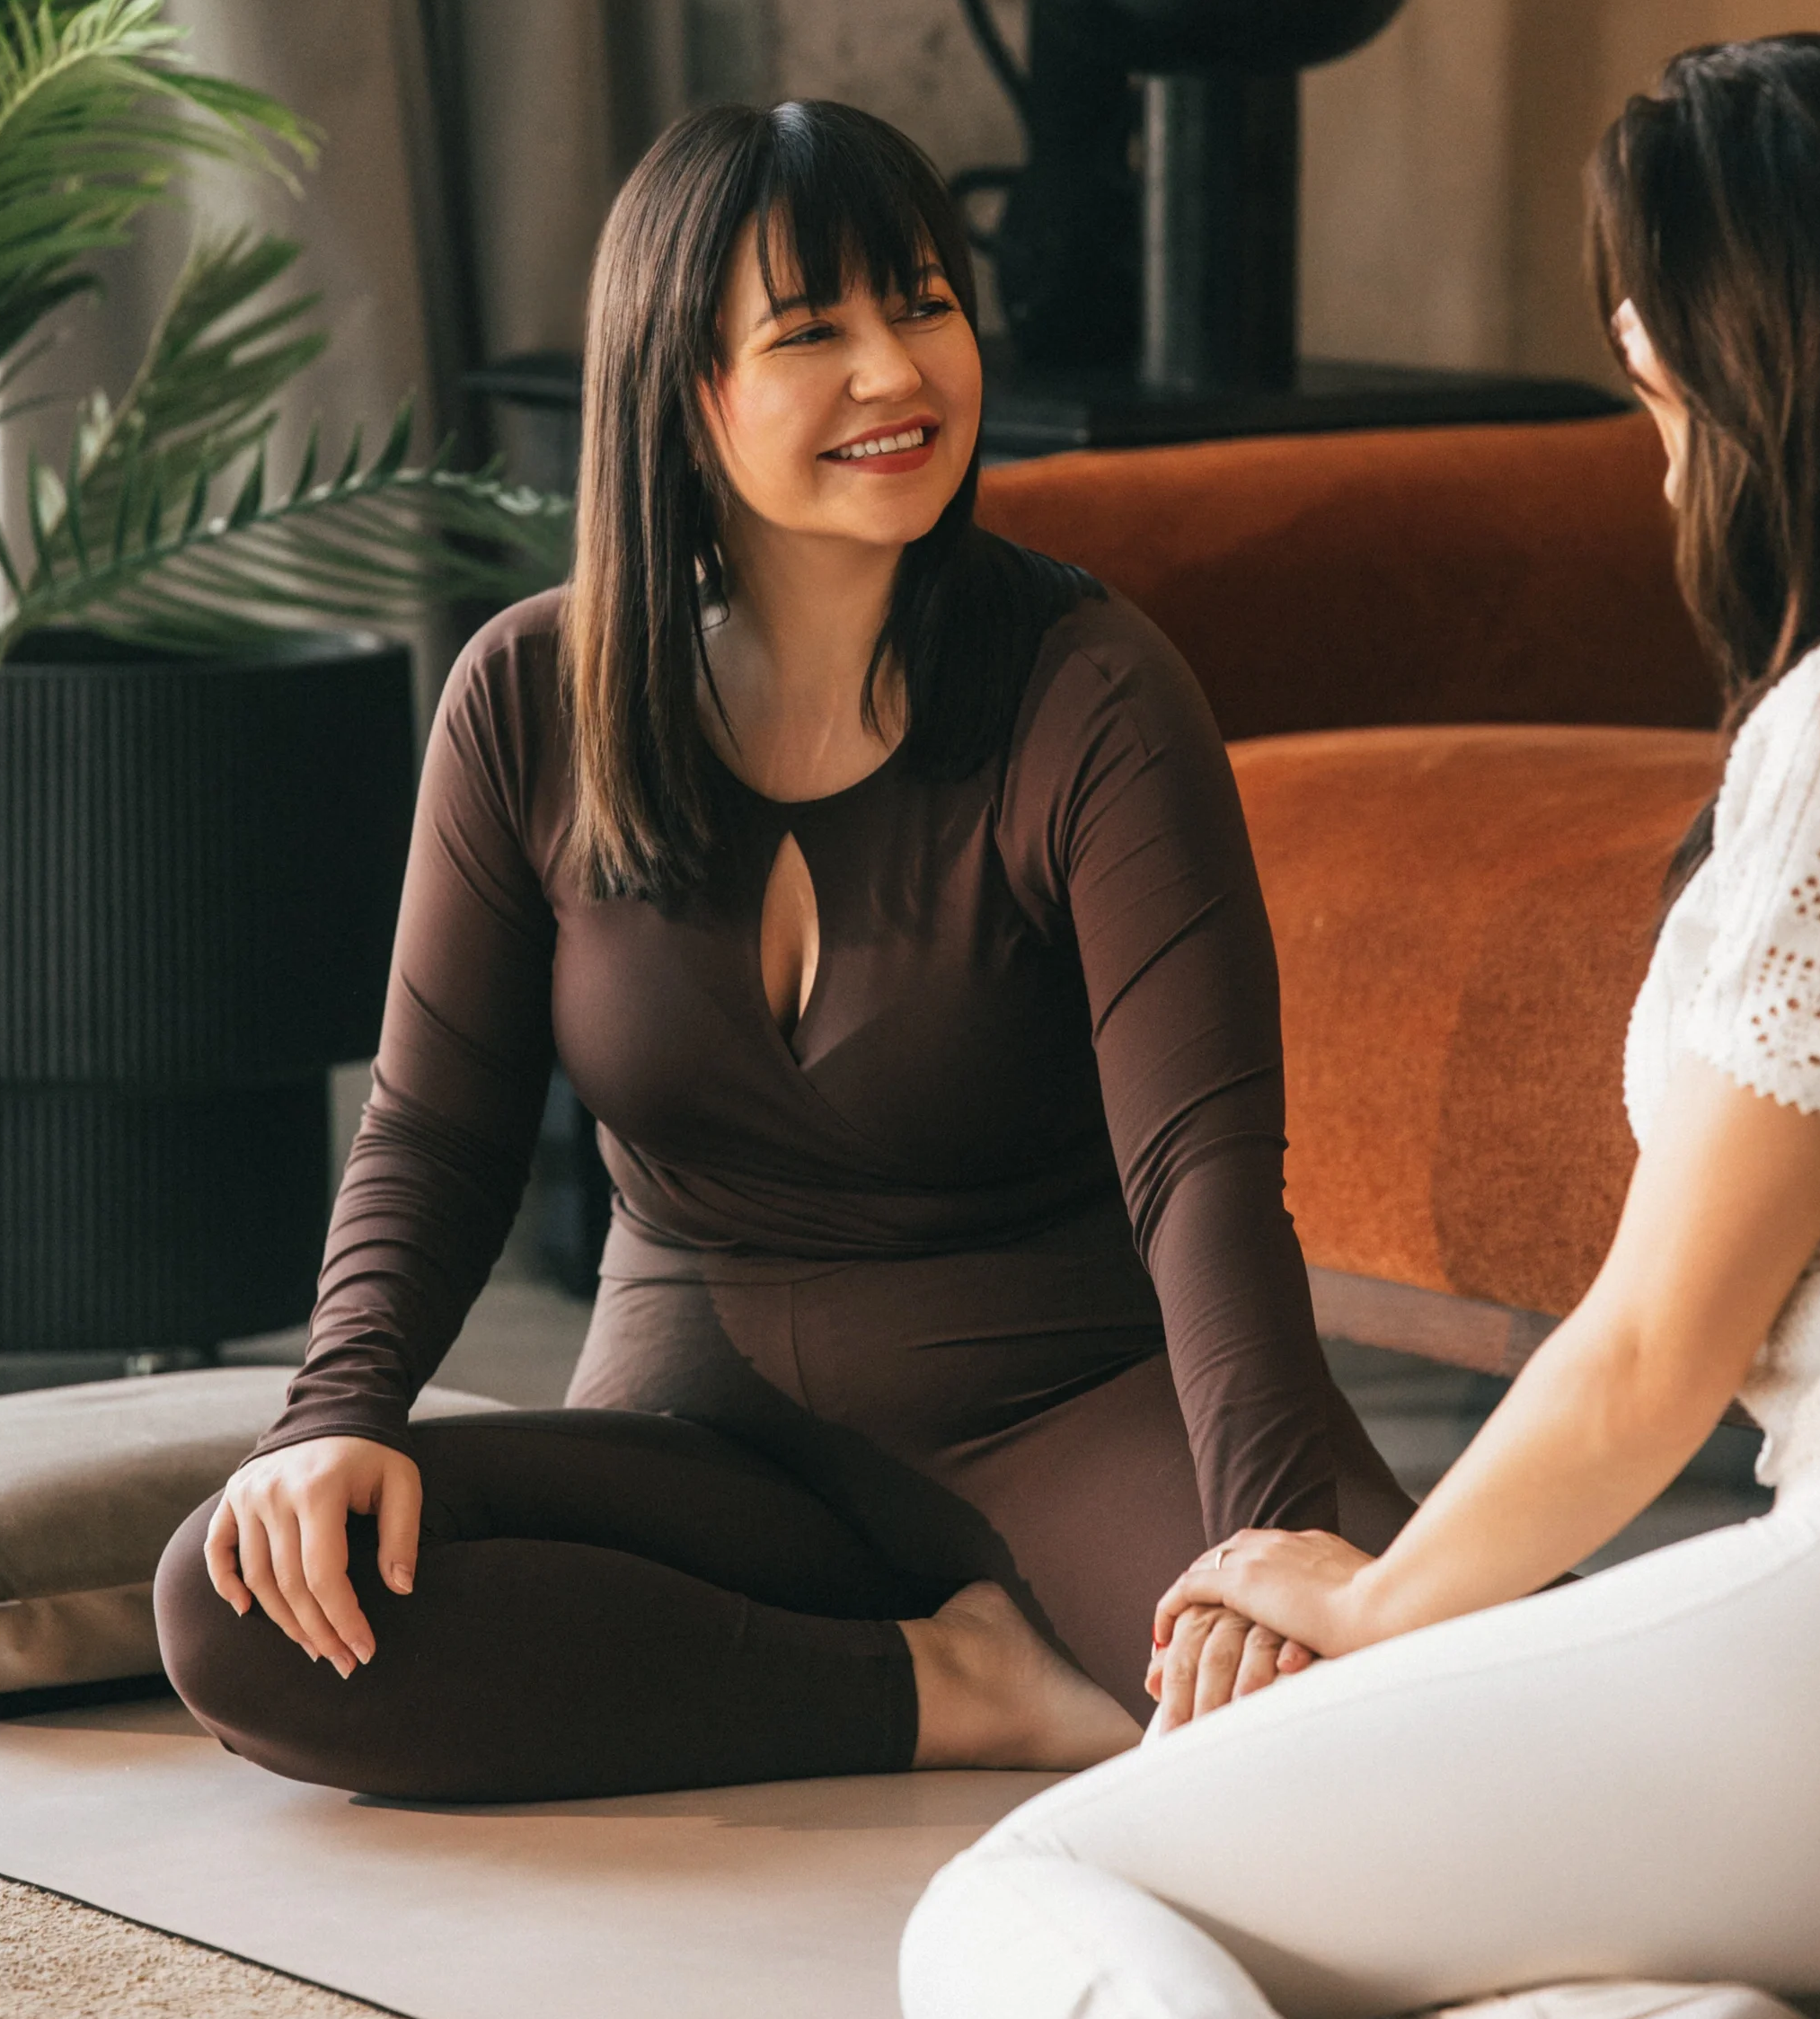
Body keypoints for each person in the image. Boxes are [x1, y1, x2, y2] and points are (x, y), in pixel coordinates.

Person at [899, 34, 1820, 2019]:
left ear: (1789, 360)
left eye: (1655, 354)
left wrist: (1377, 1605)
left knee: (1030, 1889)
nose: (1639, 398)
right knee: (1499, 1903)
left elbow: (1659, 1342)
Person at [155, 99, 1408, 1802]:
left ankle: (998, 1659)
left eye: (924, 305)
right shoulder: (530, 699)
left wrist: (1269, 1530)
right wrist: (335, 1419)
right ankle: (949, 1693)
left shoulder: (1089, 688)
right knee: (238, 1608)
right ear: (684, 395)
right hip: (708, 1449)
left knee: (1408, 1722)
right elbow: (433, 1131)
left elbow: (1204, 1163)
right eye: (814, 332)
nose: (897, 373)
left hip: (1076, 1410)